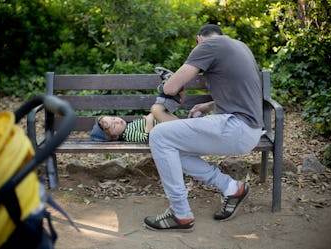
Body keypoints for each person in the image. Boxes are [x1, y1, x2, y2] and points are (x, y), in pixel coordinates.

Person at [143, 24, 264, 232]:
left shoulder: (208, 45)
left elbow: (171, 88)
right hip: (249, 129)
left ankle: (180, 213)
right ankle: (231, 187)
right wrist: (210, 105)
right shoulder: (240, 46)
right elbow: (243, 93)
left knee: (159, 136)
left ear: (199, 38)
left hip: (236, 127)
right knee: (172, 149)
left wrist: (168, 86)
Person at [90, 67, 185, 143]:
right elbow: (147, 138)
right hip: (167, 131)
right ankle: (169, 89)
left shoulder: (129, 126)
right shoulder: (128, 134)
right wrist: (149, 120)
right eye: (114, 126)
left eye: (114, 119)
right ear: (115, 137)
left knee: (158, 109)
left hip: (166, 125)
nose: (117, 122)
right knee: (155, 109)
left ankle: (173, 89)